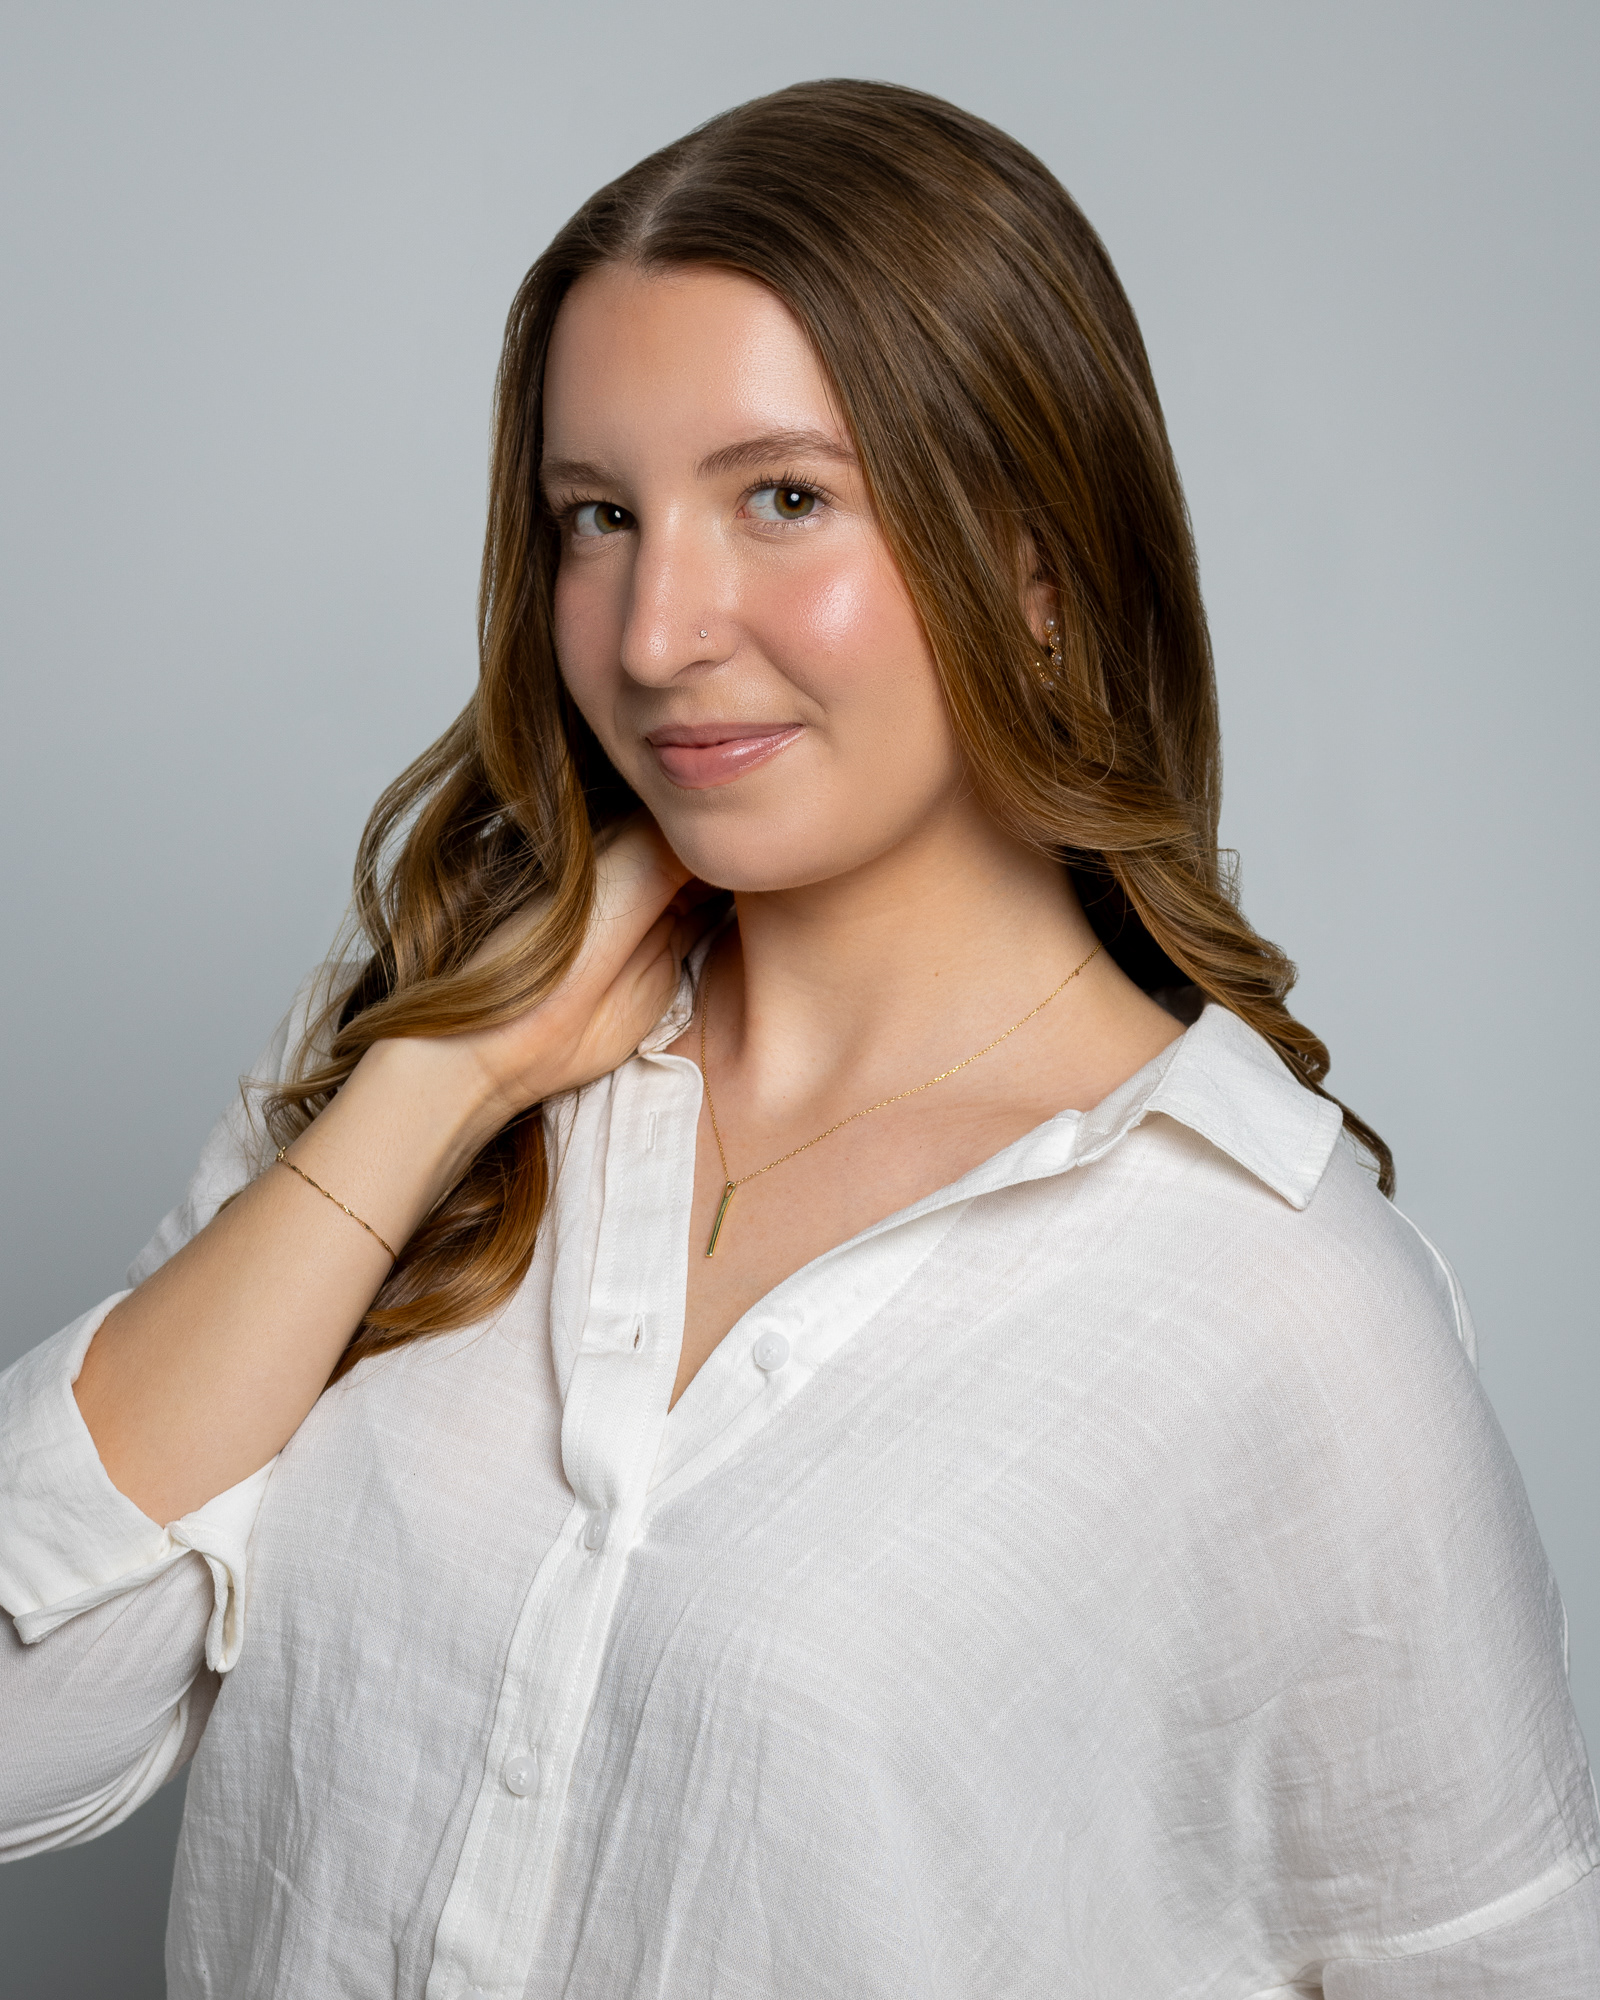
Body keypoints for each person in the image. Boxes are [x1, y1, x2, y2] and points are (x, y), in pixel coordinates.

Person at [2, 77, 1595, 1999]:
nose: (658, 629)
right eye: (598, 517)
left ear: (1032, 558)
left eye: (782, 498)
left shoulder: (1277, 1310)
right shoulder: (408, 1068)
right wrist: (439, 1082)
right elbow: (32, 1734)